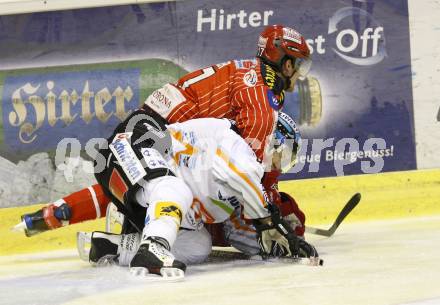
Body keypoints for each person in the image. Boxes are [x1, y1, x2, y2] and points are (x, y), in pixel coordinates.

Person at [13, 24, 312, 235]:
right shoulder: (260, 94)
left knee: (135, 187)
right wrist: (274, 208)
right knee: (170, 198)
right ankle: (133, 238)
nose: (299, 73)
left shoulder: (249, 72)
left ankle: (53, 214)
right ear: (284, 63)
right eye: (298, 64)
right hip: (165, 132)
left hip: (150, 126)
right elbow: (249, 168)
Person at [15, 112, 319, 278]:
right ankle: (152, 248)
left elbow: (239, 233)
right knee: (171, 188)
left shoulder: (238, 188)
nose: (280, 166)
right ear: (271, 140)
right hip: (135, 141)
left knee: (199, 245)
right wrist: (269, 220)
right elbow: (240, 175)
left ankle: (112, 247)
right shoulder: (232, 140)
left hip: (146, 189)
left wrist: (284, 242)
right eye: (283, 155)